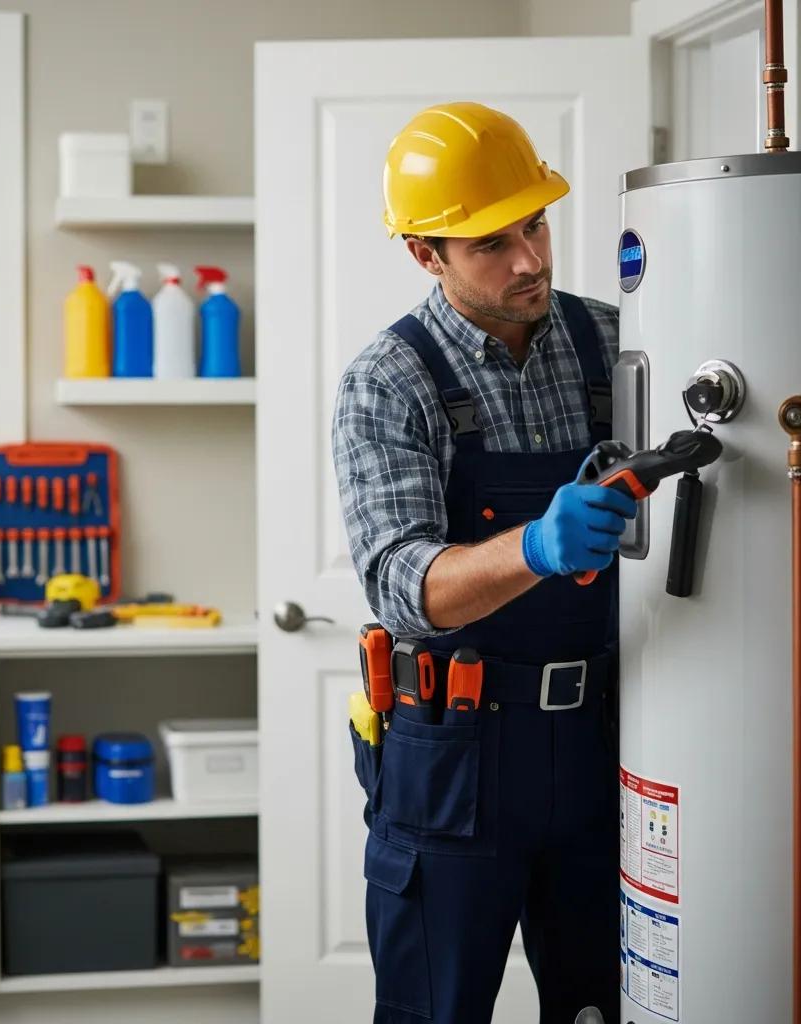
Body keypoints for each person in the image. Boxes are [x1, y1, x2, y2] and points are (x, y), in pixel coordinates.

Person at [332, 102, 638, 1024]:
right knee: (438, 1010)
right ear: (427, 254)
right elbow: (401, 583)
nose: (531, 260)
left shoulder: (613, 342)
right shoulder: (390, 379)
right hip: (457, 755)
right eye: (491, 244)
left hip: (606, 740)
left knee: (605, 1006)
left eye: (535, 224)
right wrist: (537, 546)